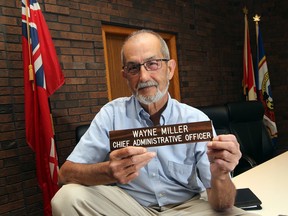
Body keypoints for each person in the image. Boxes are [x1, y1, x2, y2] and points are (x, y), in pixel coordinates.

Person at [51, 29, 256, 216]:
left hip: (188, 207)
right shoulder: (111, 114)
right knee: (66, 197)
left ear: (170, 68)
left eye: (153, 64)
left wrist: (221, 175)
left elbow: (221, 204)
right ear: (125, 76)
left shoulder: (195, 120)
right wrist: (108, 171)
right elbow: (65, 174)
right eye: (133, 68)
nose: (144, 76)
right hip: (130, 208)